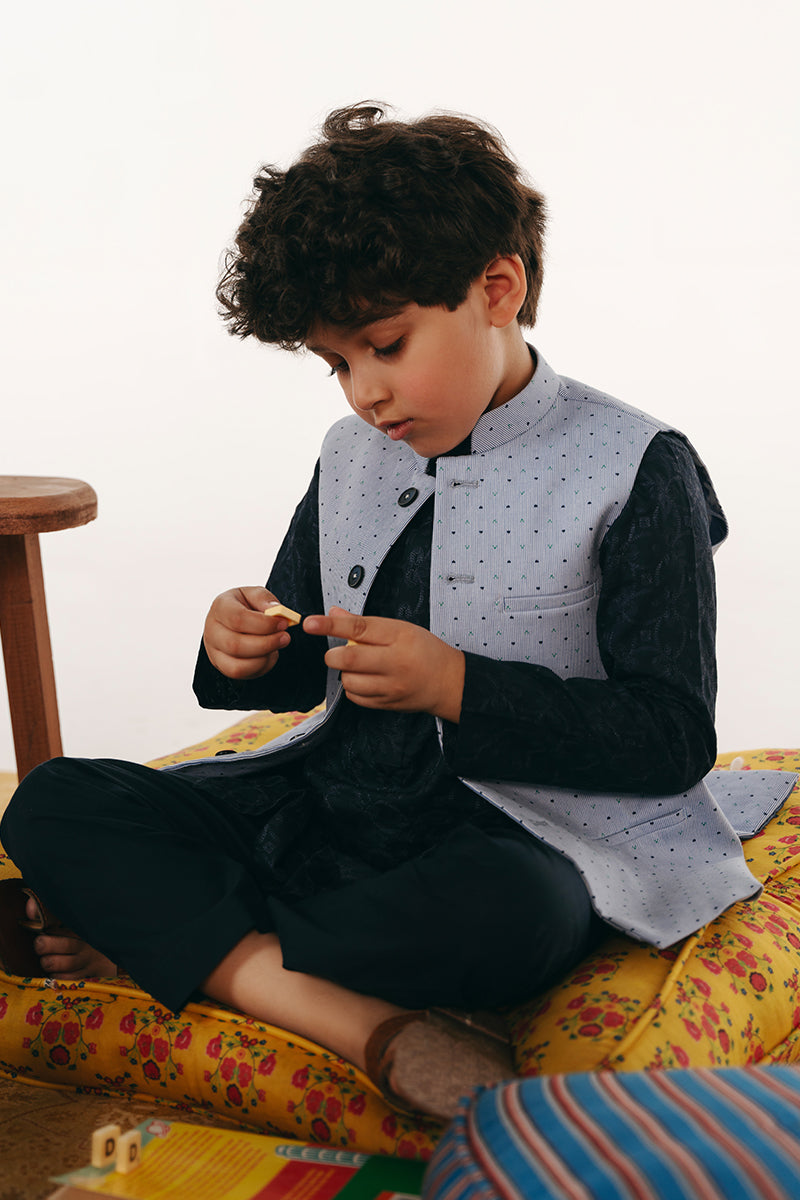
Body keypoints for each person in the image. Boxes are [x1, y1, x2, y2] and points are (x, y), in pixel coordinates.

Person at [0, 103, 772, 1119]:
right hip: (328, 809)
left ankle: (177, 940)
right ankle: (350, 1017)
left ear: (498, 289)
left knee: (512, 919)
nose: (364, 393)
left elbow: (669, 737)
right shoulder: (351, 452)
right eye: (336, 364)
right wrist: (240, 644)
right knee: (52, 802)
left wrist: (457, 687)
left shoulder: (634, 466)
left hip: (513, 836)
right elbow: (302, 648)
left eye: (386, 345)